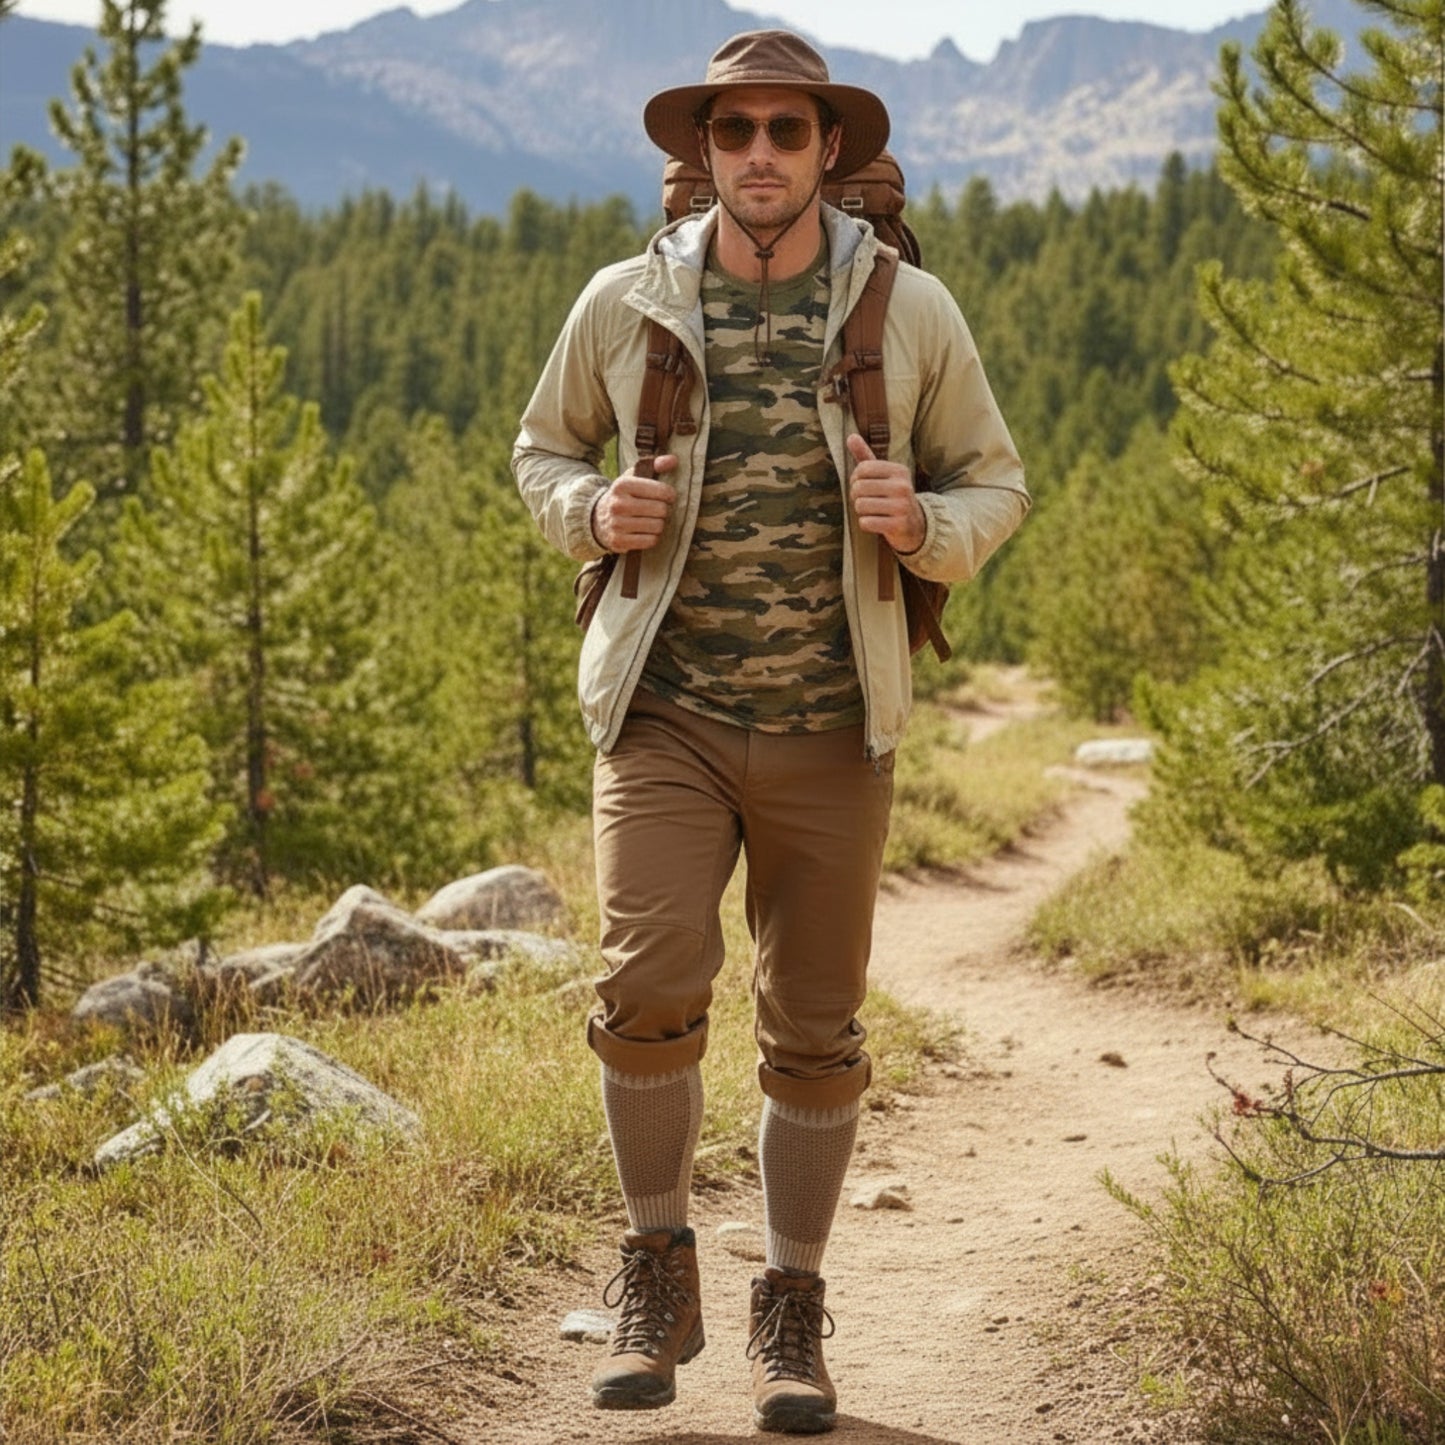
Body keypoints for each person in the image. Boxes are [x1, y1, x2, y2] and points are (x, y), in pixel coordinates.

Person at [512, 29, 1027, 1435]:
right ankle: (654, 1264)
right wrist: (587, 511)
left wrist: (925, 526)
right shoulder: (624, 302)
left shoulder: (907, 311)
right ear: (701, 152)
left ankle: (790, 1309)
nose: (756, 155)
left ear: (826, 153)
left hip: (829, 729)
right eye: (731, 130)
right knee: (646, 981)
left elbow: (997, 481)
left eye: (783, 132)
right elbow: (541, 447)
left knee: (813, 1029)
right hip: (662, 713)